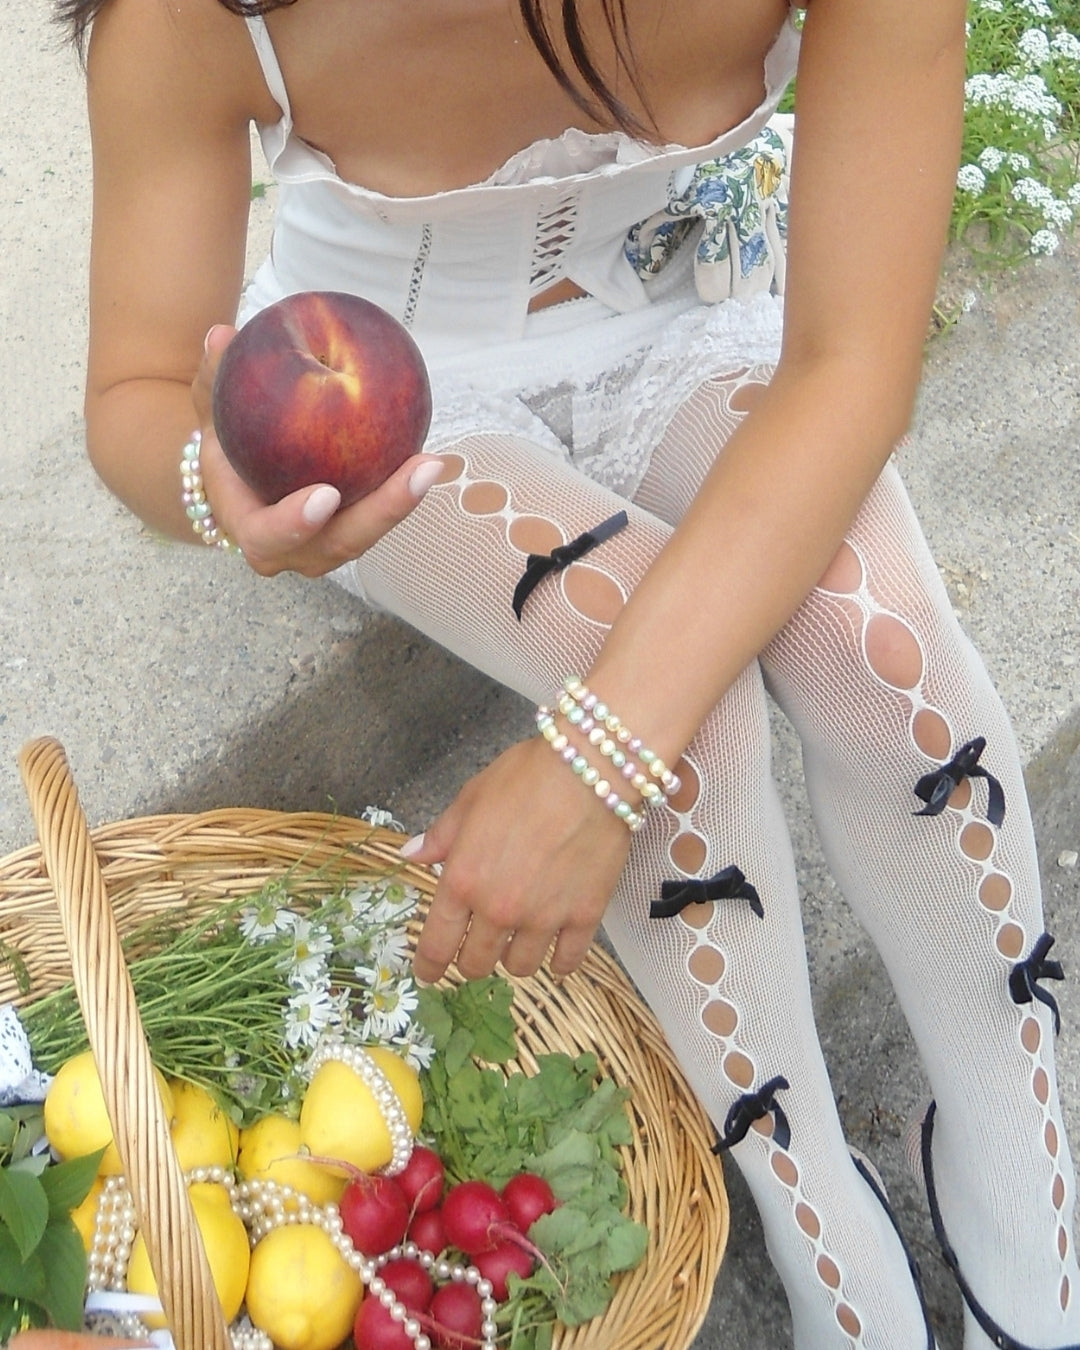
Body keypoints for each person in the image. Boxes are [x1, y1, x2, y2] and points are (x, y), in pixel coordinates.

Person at [52, 0, 1079, 1346]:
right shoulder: (200, 21)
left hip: (704, 323)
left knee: (882, 648)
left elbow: (853, 363)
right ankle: (806, 1204)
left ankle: (1015, 1112)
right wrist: (214, 479)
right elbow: (134, 386)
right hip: (403, 394)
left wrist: (591, 762)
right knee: (660, 685)